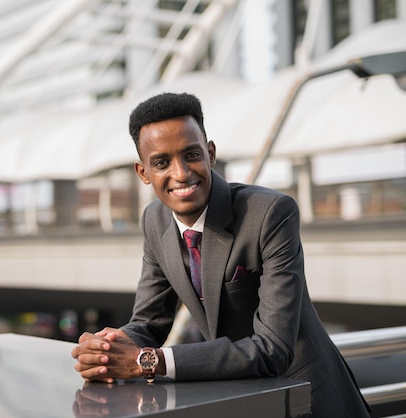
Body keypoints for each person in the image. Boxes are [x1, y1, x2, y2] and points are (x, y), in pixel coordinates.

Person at [71, 92, 371, 417]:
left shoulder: (270, 214)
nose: (182, 173)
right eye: (161, 162)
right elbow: (149, 320)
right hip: (235, 398)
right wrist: (106, 350)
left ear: (210, 154)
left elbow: (272, 348)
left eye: (191, 155)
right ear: (143, 172)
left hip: (305, 398)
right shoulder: (154, 221)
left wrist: (147, 361)